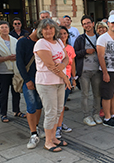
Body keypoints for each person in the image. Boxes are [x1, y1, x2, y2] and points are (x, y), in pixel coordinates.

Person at [34, 18, 71, 152]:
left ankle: (54, 137)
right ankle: (48, 141)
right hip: (46, 82)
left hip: (59, 81)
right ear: (40, 31)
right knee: (50, 112)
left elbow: (66, 57)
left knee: (58, 110)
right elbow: (50, 66)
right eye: (45, 28)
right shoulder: (41, 44)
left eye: (50, 28)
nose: (48, 31)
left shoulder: (59, 41)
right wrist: (65, 77)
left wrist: (62, 65)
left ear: (55, 29)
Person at [16, 20, 45, 149]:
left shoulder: (43, 43)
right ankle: (33, 133)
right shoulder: (23, 42)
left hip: (42, 79)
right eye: (42, 30)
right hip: (29, 79)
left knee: (39, 105)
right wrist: (27, 80)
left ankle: (36, 127)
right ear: (36, 29)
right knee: (31, 105)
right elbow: (20, 63)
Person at [0, 21, 26, 123]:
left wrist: (17, 57)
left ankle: (17, 110)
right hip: (3, 72)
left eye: (6, 27)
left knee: (16, 91)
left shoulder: (14, 40)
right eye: (2, 27)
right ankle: (3, 113)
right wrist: (7, 58)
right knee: (4, 93)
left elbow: (20, 52)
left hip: (15, 70)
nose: (4, 29)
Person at [74, 15, 102, 126]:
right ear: (82, 26)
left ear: (93, 23)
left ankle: (96, 114)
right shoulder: (80, 39)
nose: (87, 25)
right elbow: (74, 53)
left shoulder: (99, 37)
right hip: (84, 71)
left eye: (88, 23)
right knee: (84, 94)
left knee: (97, 94)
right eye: (84, 24)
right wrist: (85, 51)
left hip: (97, 70)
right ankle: (86, 116)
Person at [55, 26, 75, 138]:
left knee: (62, 104)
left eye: (65, 33)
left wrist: (74, 78)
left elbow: (72, 63)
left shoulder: (70, 48)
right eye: (60, 34)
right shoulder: (55, 47)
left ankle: (60, 124)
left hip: (68, 78)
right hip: (58, 78)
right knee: (58, 105)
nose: (63, 36)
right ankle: (57, 127)